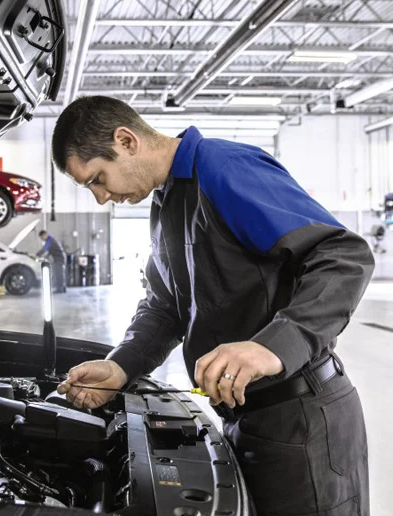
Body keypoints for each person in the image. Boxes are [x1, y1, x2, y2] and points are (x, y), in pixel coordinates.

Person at [51, 95, 373, 516]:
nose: (100, 198)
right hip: (247, 421)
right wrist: (121, 366)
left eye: (97, 179)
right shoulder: (167, 203)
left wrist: (273, 345)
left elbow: (344, 257)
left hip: (301, 420)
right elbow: (164, 307)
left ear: (126, 141)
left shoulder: (224, 169)